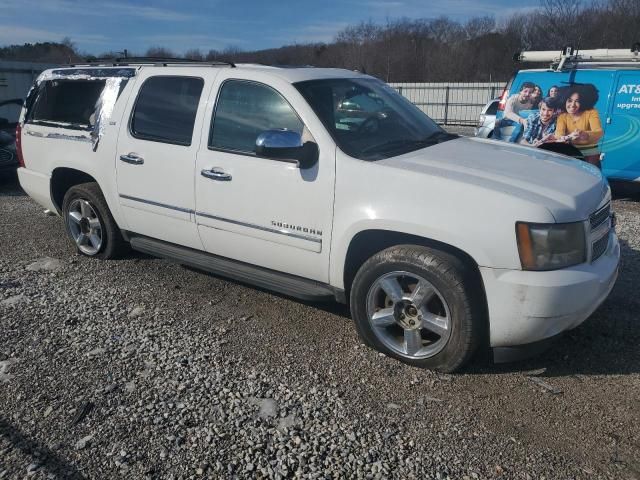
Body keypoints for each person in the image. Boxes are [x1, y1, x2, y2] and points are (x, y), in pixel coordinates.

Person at [554, 84, 603, 167]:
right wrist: (565, 138)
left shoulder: (591, 112)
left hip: (590, 153)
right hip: (571, 152)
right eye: (569, 100)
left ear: (583, 102)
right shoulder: (562, 116)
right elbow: (559, 135)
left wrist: (585, 135)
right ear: (564, 100)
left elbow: (598, 132)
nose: (572, 105)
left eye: (577, 101)